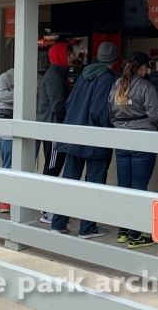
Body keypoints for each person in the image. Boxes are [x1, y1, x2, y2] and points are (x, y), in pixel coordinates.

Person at [51, 42, 118, 239]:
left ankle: (58, 223)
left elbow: (69, 103)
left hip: (73, 134)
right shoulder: (106, 77)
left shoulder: (84, 74)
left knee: (70, 181)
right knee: (94, 183)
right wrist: (109, 127)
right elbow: (98, 110)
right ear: (115, 61)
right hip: (94, 137)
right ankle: (87, 228)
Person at [109, 51, 158, 249]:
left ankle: (124, 230)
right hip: (143, 140)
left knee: (125, 186)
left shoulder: (116, 85)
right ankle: (137, 235)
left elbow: (111, 114)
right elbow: (155, 115)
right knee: (139, 187)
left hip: (121, 140)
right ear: (142, 67)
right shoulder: (145, 87)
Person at [36, 43, 74, 224]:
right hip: (54, 129)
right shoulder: (54, 76)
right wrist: (72, 119)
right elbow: (58, 106)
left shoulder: (57, 74)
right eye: (69, 54)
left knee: (53, 166)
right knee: (52, 168)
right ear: (60, 55)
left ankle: (47, 208)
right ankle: (46, 210)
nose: (72, 57)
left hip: (53, 127)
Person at [0, 68, 16, 213]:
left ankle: (20, 199)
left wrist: (12, 96)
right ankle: (6, 200)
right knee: (8, 164)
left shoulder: (38, 78)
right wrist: (25, 94)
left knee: (27, 165)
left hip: (31, 123)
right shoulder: (5, 77)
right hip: (7, 126)